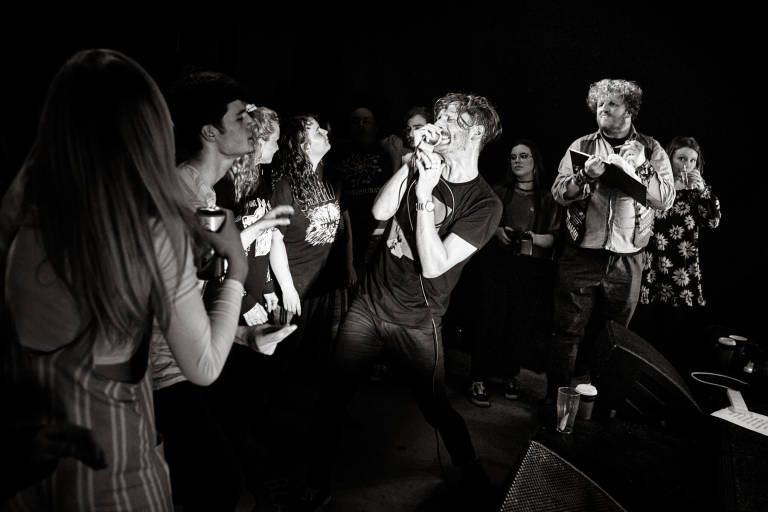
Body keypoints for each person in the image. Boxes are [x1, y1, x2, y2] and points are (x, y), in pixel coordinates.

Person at [2, 48, 254, 511]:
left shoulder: (20, 220)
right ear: (149, 132)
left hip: (38, 486)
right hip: (117, 479)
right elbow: (202, 364)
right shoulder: (149, 231)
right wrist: (237, 267)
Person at [311, 92, 504, 508]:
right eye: (440, 114)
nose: (439, 122)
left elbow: (434, 266)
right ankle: (315, 483)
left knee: (435, 408)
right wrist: (410, 166)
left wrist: (423, 195)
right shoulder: (421, 165)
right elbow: (380, 212)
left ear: (475, 131)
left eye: (450, 117)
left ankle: (470, 469)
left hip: (418, 319)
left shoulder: (485, 203)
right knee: (334, 394)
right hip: (370, 304)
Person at [150, 70, 290, 512]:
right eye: (240, 116)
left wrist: (245, 336)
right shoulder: (185, 203)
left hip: (179, 362)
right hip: (161, 376)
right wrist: (239, 265)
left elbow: (188, 298)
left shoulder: (201, 191)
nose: (253, 123)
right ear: (210, 131)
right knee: (215, 486)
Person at [547, 78, 675, 400]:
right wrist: (584, 176)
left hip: (627, 258)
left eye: (613, 104)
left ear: (629, 110)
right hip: (581, 255)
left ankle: (600, 408)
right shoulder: (582, 145)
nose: (603, 108)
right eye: (600, 104)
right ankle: (555, 402)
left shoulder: (652, 148)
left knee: (615, 339)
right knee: (566, 333)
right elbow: (559, 194)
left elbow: (664, 201)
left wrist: (643, 165)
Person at [467, 139, 562, 407]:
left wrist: (533, 238)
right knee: (489, 319)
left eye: (524, 156)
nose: (517, 161)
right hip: (498, 265)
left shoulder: (547, 196)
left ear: (534, 161)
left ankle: (509, 375)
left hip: (531, 268)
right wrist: (497, 231)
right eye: (513, 157)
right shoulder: (499, 191)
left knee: (519, 323)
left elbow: (555, 238)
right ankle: (478, 378)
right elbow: (483, 227)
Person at [633, 136, 721, 371]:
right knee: (646, 329)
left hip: (682, 269)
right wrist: (673, 187)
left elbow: (712, 222)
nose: (687, 165)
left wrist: (702, 191)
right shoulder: (658, 187)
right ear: (669, 158)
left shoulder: (699, 192)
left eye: (692, 160)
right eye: (681, 158)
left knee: (674, 334)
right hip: (653, 266)